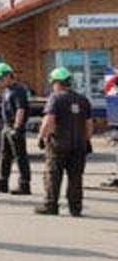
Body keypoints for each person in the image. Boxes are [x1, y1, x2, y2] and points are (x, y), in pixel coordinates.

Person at [35, 67, 94, 216]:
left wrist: (41, 137)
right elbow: (89, 125)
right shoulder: (83, 100)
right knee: (76, 177)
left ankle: (51, 205)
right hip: (78, 145)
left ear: (57, 83)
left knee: (53, 175)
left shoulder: (55, 98)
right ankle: (75, 208)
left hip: (58, 144)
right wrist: (86, 140)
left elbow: (49, 121)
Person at [0, 62, 32, 195]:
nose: (0, 82)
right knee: (4, 156)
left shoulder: (19, 89)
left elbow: (20, 109)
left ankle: (24, 185)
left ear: (8, 76)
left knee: (20, 156)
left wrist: (17, 128)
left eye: (1, 79)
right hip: (6, 126)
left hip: (14, 126)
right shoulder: (8, 90)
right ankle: (2, 183)